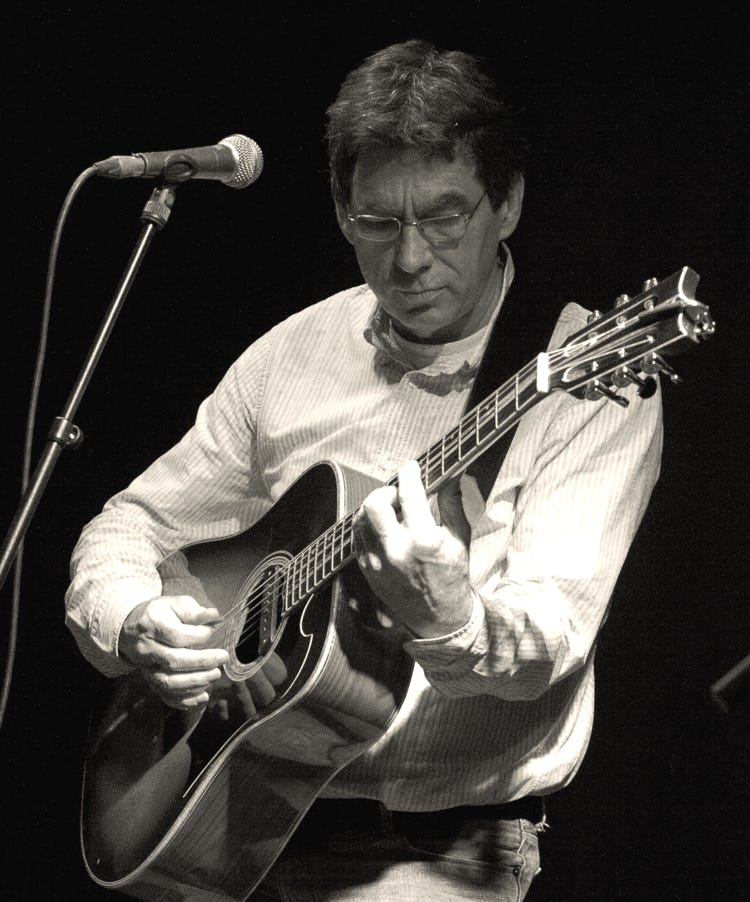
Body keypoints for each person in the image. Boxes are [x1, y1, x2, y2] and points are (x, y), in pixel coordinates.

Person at [65, 39, 663, 901]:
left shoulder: (584, 378)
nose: (410, 259)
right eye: (378, 223)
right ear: (343, 213)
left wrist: (451, 617)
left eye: (446, 218)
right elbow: (131, 526)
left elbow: (553, 637)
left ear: (507, 205)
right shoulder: (291, 354)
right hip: (219, 802)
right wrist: (136, 620)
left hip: (427, 851)